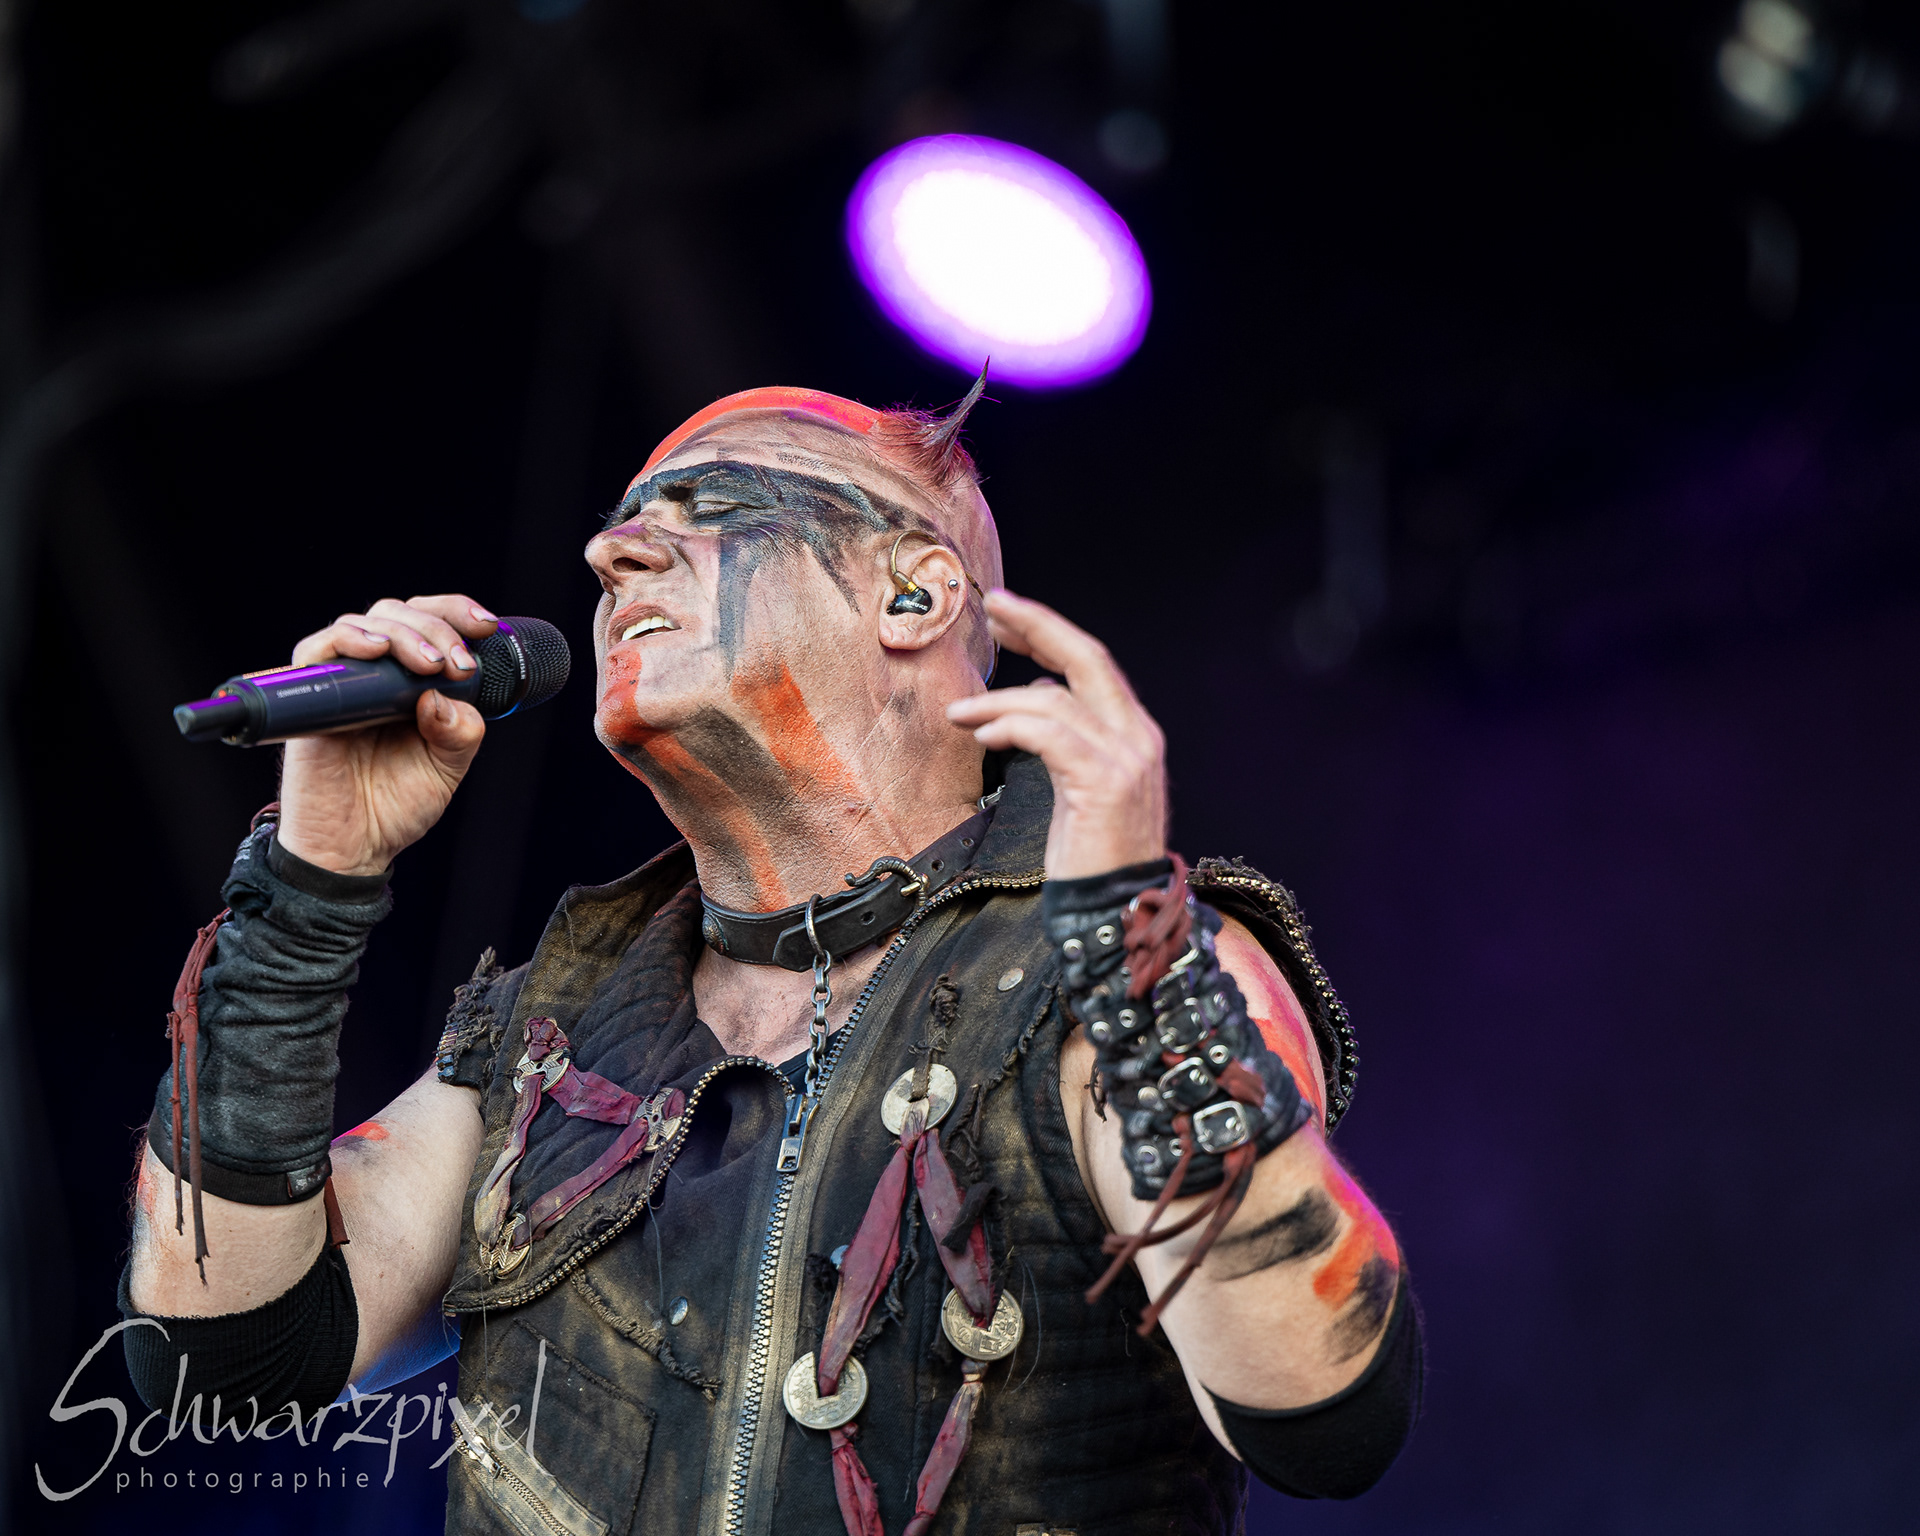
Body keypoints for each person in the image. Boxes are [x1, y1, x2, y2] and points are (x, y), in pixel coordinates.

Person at [121, 379, 1421, 1536]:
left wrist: (1138, 981)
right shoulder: (555, 1025)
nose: (610, 553)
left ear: (911, 595)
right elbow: (221, 1356)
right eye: (621, 529)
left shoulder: (1126, 969)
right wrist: (310, 882)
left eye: (712, 508)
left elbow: (1328, 1415)